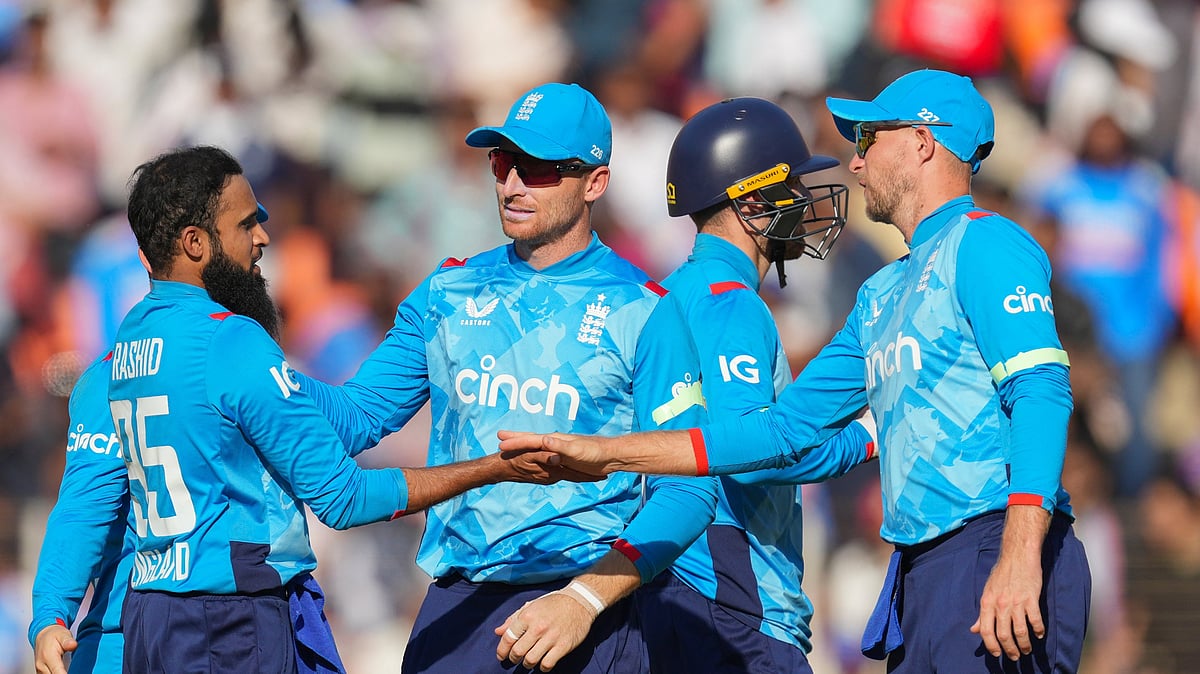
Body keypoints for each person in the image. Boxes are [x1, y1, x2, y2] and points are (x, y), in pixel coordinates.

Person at [500, 69, 1092, 672]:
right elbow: (780, 433)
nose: (854, 165)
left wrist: (1021, 552)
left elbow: (1040, 388)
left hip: (993, 542)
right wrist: (616, 453)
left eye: (868, 140)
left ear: (922, 142)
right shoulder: (880, 291)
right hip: (915, 570)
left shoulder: (989, 243)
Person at [298, 82, 719, 674]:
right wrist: (261, 374)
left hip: (588, 611)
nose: (513, 184)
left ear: (595, 182)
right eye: (504, 162)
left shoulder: (647, 310)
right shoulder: (446, 292)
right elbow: (358, 417)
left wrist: (583, 600)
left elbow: (690, 489)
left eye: (541, 169)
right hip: (461, 605)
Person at [106, 145, 570, 674]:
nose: (262, 238)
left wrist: (51, 615)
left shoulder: (130, 340)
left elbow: (348, 415)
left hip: (153, 615)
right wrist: (492, 469)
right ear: (195, 243)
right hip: (228, 623)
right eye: (245, 225)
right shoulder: (233, 343)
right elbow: (344, 499)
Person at [30, 351, 132, 674]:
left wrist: (50, 614)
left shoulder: (114, 370)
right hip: (121, 635)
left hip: (128, 635)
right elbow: (81, 514)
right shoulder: (247, 355)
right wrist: (50, 615)